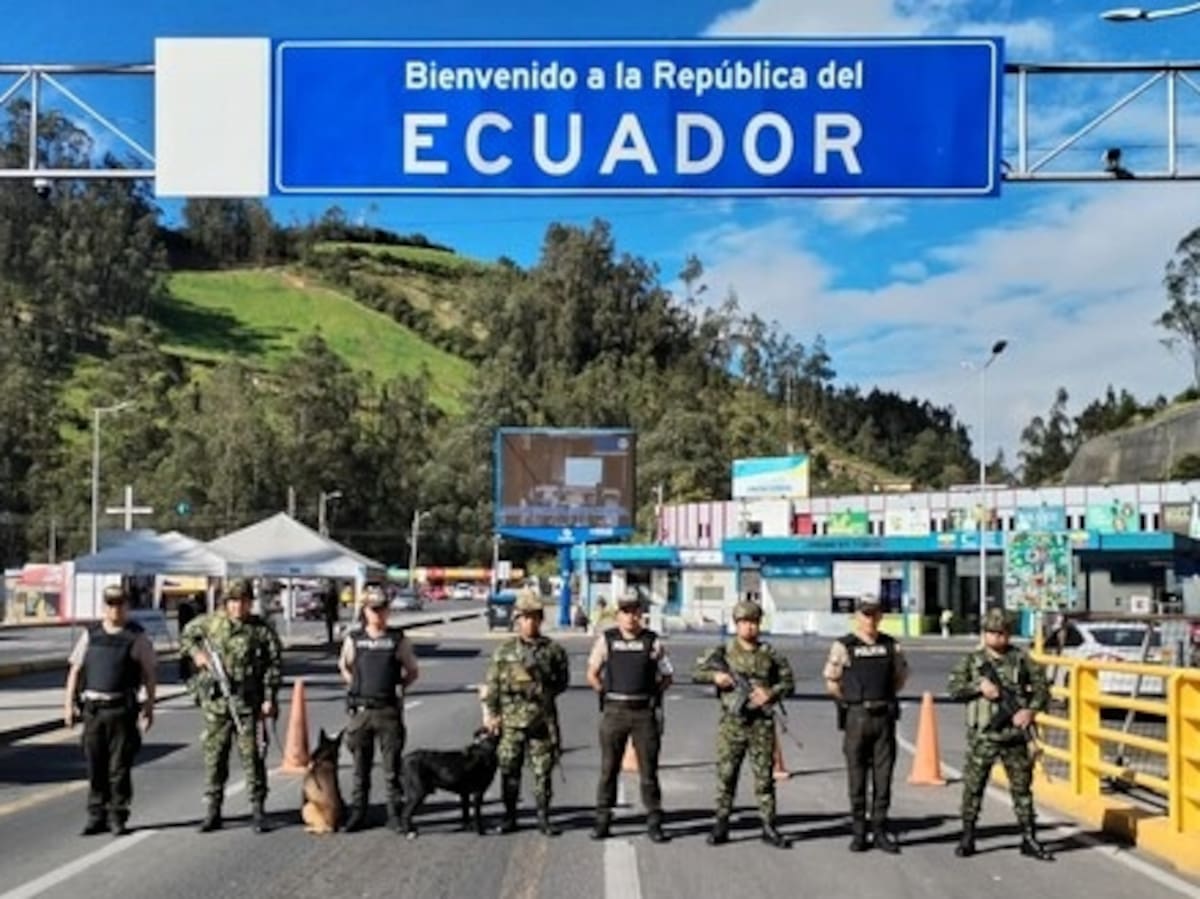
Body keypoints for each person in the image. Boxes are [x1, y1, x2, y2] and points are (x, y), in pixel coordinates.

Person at [947, 607, 1054, 861]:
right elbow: (953, 689)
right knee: (973, 787)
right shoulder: (972, 662)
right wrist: (978, 686)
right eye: (993, 633)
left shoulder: (1021, 659)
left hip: (1015, 737)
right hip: (983, 737)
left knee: (1022, 789)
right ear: (985, 634)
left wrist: (1029, 711)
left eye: (1003, 633)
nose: (998, 638)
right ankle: (968, 835)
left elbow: (1042, 689)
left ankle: (1029, 837)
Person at [180, 578, 283, 833]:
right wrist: (198, 655)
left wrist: (270, 697)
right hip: (217, 705)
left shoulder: (260, 630)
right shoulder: (211, 624)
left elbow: (274, 664)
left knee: (252, 757)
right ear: (226, 602)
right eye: (234, 601)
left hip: (248, 703)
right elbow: (186, 636)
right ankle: (213, 810)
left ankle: (258, 809)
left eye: (244, 601)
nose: (239, 606)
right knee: (215, 758)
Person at [692, 599, 795, 848]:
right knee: (726, 775)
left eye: (753, 622)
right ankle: (721, 823)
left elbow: (789, 683)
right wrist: (716, 677)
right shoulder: (723, 652)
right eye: (744, 622)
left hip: (761, 724)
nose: (749, 627)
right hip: (732, 723)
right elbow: (696, 672)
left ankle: (768, 825)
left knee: (764, 779)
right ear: (736, 624)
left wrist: (770, 693)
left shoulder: (769, 653)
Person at [63, 584, 157, 836]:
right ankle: (96, 815)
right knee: (95, 766)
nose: (115, 609)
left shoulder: (136, 637)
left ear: (126, 606)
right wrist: (67, 705)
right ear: (104, 607)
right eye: (110, 604)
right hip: (94, 711)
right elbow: (75, 670)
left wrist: (149, 707)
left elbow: (149, 674)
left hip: (122, 711)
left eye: (120, 604)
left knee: (119, 768)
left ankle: (118, 815)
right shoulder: (90, 635)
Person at [823, 593, 909, 853]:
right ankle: (859, 831)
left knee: (883, 778)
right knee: (857, 777)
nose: (870, 619)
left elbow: (900, 678)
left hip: (883, 716)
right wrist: (850, 702)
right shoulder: (843, 646)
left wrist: (882, 697)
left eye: (874, 614)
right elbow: (832, 682)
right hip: (856, 716)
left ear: (881, 616)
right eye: (865, 614)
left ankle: (880, 830)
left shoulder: (891, 645)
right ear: (856, 617)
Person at [586, 589, 673, 843]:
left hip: (644, 713)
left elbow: (667, 676)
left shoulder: (652, 641)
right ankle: (603, 819)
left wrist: (652, 694)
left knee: (649, 771)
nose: (630, 617)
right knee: (608, 769)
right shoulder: (607, 640)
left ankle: (654, 820)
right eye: (625, 611)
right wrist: (604, 691)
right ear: (618, 614)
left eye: (635, 611)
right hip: (614, 711)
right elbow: (592, 673)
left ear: (641, 614)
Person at [482, 589, 570, 836]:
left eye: (534, 617)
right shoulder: (504, 651)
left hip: (541, 720)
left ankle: (543, 817)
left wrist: (544, 686)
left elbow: (563, 682)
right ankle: (510, 816)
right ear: (517, 619)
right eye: (525, 617)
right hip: (511, 723)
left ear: (541, 619)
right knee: (509, 770)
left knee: (542, 772)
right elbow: (493, 686)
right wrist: (492, 714)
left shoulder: (553, 650)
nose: (529, 622)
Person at [338, 586, 420, 832]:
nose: (379, 614)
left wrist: (399, 688)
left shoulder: (398, 639)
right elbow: (344, 665)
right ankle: (358, 813)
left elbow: (413, 671)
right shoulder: (355, 639)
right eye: (374, 610)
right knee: (360, 769)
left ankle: (394, 814)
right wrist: (354, 685)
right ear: (365, 611)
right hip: (362, 710)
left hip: (388, 711)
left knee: (391, 769)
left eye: (382, 609)